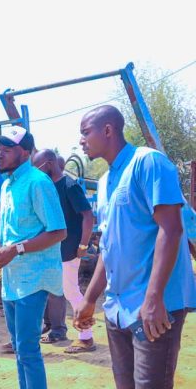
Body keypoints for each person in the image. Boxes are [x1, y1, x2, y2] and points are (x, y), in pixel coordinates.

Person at [74, 105, 196, 389]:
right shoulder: (105, 183)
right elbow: (109, 247)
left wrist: (153, 300)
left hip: (152, 308)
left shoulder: (149, 163)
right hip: (118, 307)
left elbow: (172, 229)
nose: (81, 141)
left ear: (108, 130)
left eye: (85, 132)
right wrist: (90, 300)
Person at [0, 126, 67, 389]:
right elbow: (15, 229)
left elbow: (58, 231)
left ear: (24, 153)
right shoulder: (8, 185)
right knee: (20, 350)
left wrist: (15, 249)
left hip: (34, 277)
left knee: (29, 350)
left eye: (6, 151)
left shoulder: (38, 182)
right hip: (12, 280)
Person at [32, 149, 96, 353]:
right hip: (55, 249)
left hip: (69, 248)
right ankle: (80, 334)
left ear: (50, 164)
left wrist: (83, 246)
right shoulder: (50, 187)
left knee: (71, 291)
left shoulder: (69, 186)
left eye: (38, 167)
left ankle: (86, 337)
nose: (37, 172)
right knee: (63, 290)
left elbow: (88, 216)